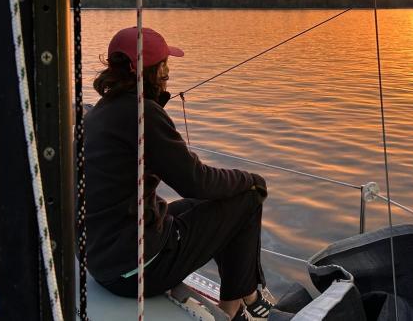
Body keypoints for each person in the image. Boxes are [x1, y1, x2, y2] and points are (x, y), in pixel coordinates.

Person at [83, 26, 275, 320]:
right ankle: (234, 308)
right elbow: (197, 181)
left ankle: (246, 293)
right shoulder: (142, 114)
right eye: (165, 64)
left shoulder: (103, 110)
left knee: (219, 202)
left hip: (105, 260)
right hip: (135, 271)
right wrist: (250, 179)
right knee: (248, 196)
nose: (169, 72)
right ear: (154, 71)